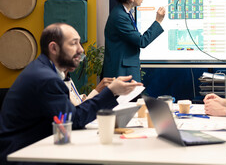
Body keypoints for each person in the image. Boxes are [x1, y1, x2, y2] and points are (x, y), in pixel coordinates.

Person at [0, 23, 143, 163]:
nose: (81, 49)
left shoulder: (46, 71)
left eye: (80, 43)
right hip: (21, 155)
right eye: (74, 43)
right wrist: (111, 91)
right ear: (54, 48)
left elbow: (69, 116)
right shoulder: (46, 79)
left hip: (36, 147)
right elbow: (73, 120)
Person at [103, 0, 165, 82]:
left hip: (125, 70)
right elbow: (142, 41)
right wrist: (158, 21)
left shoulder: (123, 13)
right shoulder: (120, 16)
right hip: (121, 73)